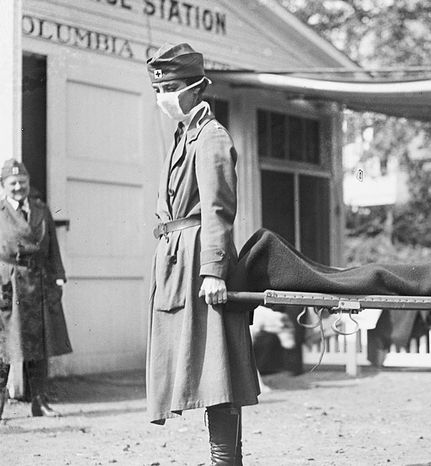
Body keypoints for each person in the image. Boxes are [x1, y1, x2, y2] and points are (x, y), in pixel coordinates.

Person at [145, 43, 259, 465]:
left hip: (199, 266)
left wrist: (213, 271)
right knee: (201, 372)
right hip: (177, 264)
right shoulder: (183, 137)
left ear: (196, 88)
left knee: (217, 374)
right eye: (158, 89)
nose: (163, 97)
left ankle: (225, 462)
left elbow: (218, 210)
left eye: (171, 87)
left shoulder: (211, 137)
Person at [0, 159, 72, 420]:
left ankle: (39, 402)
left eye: (22, 182)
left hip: (39, 282)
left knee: (39, 347)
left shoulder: (41, 210)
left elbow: (52, 247)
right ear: (4, 186)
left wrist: (58, 277)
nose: (19, 187)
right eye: (13, 183)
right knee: (4, 347)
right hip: (9, 285)